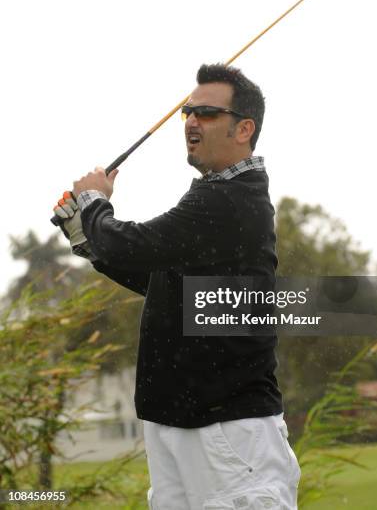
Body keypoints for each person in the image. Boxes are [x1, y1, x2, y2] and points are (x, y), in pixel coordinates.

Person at [53, 64, 301, 509]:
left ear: (244, 128)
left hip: (228, 429)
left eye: (205, 113)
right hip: (177, 423)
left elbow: (137, 245)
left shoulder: (231, 198)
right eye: (187, 112)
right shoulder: (214, 197)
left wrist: (93, 205)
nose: (190, 121)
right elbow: (159, 279)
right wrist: (86, 237)